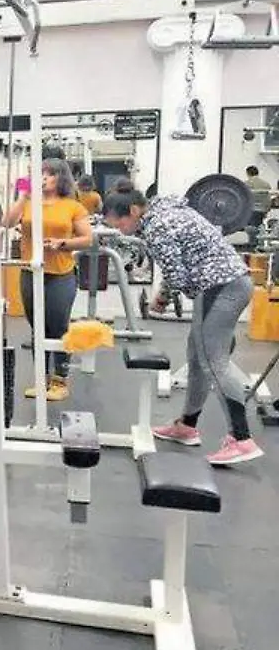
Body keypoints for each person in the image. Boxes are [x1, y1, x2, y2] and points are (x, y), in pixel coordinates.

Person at [104, 184, 264, 466]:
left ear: (133, 210)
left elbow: (176, 275)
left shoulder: (157, 226)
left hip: (220, 287)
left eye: (120, 223)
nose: (120, 230)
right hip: (225, 284)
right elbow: (179, 266)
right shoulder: (167, 212)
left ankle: (242, 439)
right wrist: (166, 294)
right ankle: (187, 425)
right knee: (198, 356)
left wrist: (162, 298)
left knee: (214, 361)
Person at [2, 158, 93, 401]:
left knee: (58, 327)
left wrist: (62, 243)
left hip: (60, 274)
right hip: (30, 271)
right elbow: (7, 222)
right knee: (37, 327)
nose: (43, 177)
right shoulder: (28, 202)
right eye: (40, 173)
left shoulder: (72, 206)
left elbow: (87, 239)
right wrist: (23, 194)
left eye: (49, 173)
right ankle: (41, 380)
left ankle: (60, 380)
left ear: (60, 177)